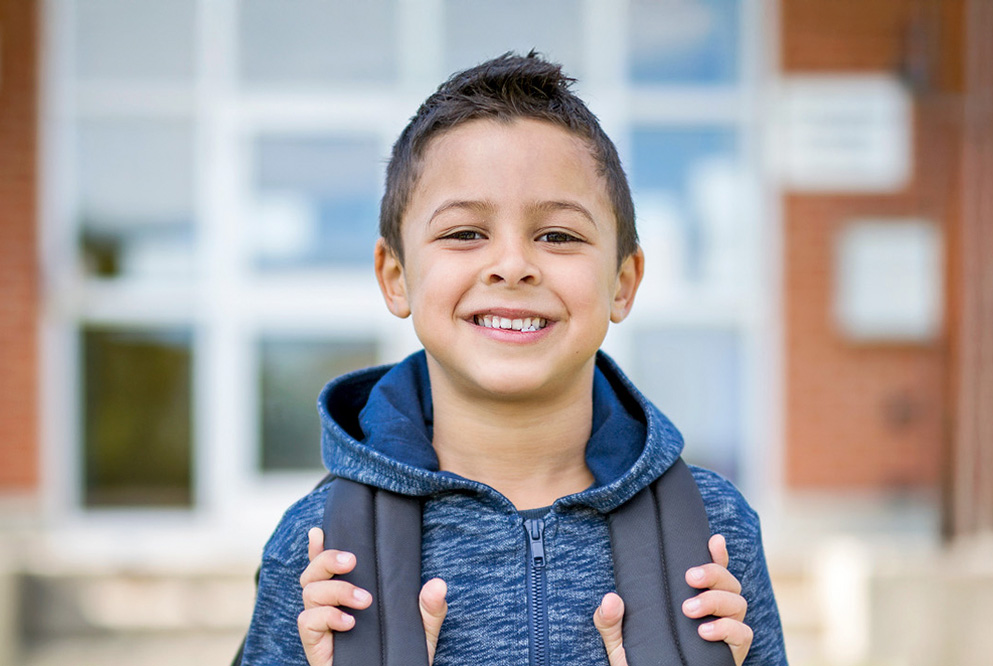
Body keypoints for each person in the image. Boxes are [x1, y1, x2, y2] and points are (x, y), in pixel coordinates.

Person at [238, 51, 787, 666]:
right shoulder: (321, 553)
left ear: (623, 282)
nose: (512, 264)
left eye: (558, 236)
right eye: (465, 233)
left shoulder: (711, 533)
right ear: (395, 276)